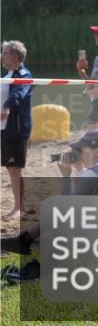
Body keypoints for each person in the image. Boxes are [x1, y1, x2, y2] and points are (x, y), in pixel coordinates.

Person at [0, 129, 98, 283]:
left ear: (97, 151)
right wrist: (80, 170)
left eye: (82, 150)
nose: (80, 154)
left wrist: (66, 177)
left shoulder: (93, 175)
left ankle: (36, 266)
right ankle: (25, 241)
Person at [1, 41, 32, 220]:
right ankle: (18, 205)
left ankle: (19, 207)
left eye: (5, 53)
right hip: (5, 128)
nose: (2, 56)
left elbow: (18, 93)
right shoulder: (7, 74)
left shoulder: (24, 74)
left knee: (15, 168)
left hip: (17, 128)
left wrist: (7, 106)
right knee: (10, 168)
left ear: (16, 56)